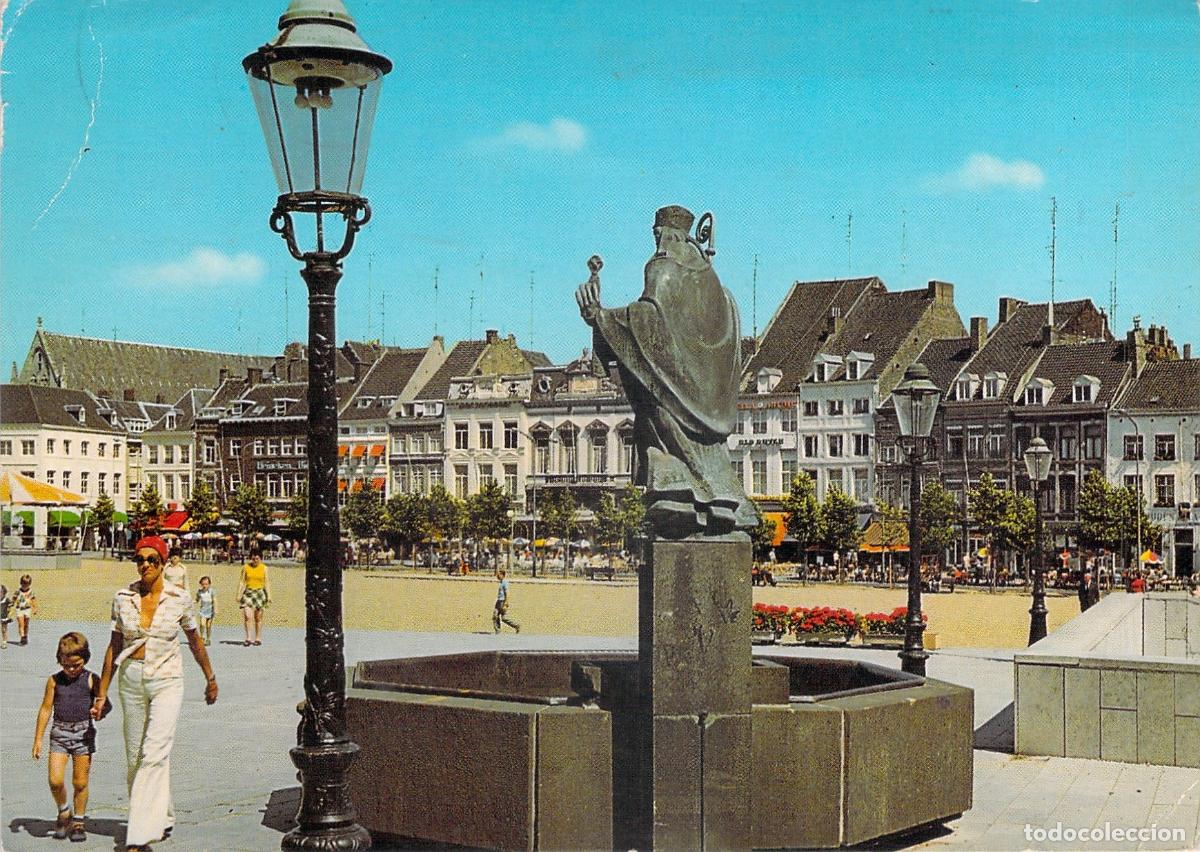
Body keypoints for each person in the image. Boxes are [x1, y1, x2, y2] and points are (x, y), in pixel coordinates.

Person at [576, 205, 756, 538]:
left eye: (657, 234)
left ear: (666, 235)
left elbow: (648, 321)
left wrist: (599, 317)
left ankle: (680, 492)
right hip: (709, 401)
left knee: (655, 392)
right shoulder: (720, 289)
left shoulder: (662, 269)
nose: (656, 242)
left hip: (674, 392)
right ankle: (723, 501)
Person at [91, 534, 218, 852]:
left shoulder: (179, 598)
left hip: (167, 681)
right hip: (131, 680)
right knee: (135, 758)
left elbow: (195, 641)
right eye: (140, 559)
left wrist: (210, 678)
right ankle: (163, 814)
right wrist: (101, 693)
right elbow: (114, 646)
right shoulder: (122, 597)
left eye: (152, 559)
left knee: (154, 754)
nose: (145, 565)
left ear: (163, 563)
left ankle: (140, 835)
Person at [32, 632, 105, 842]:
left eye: (76, 665)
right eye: (66, 665)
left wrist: (98, 710)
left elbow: (103, 705)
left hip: (83, 734)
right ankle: (64, 811)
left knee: (80, 782)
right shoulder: (54, 681)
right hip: (59, 734)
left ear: (86, 659)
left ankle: (79, 821)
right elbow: (46, 709)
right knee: (55, 780)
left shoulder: (92, 679)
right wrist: (38, 739)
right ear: (59, 660)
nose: (72, 670)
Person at [236, 547, 271, 646]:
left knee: (258, 617)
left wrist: (269, 596)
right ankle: (248, 637)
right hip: (248, 593)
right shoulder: (245, 567)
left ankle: (258, 638)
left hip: (260, 593)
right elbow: (242, 581)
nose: (255, 561)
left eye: (257, 559)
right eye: (253, 558)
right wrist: (238, 594)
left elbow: (267, 582)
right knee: (248, 616)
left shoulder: (264, 568)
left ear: (260, 558)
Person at [11, 573, 38, 646]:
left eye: (27, 584)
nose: (25, 586)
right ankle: (22, 637)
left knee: (26, 624)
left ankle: (25, 635)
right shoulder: (18, 591)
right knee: (21, 624)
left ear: (29, 584)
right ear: (21, 583)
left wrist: (35, 608)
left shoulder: (31, 592)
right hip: (19, 609)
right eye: (23, 584)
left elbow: (33, 600)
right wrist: (11, 604)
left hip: (27, 609)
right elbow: (14, 598)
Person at [493, 568, 520, 634]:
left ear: (502, 575)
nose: (497, 576)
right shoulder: (501, 582)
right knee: (495, 615)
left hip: (502, 601)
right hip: (498, 601)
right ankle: (498, 631)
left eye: (498, 574)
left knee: (504, 618)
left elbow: (507, 593)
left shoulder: (505, 582)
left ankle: (516, 626)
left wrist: (506, 603)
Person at [194, 576, 216, 645]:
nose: (204, 586)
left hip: (210, 610)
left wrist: (215, 609)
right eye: (203, 584)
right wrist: (191, 602)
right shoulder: (199, 592)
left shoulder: (212, 591)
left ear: (209, 584)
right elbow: (197, 600)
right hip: (203, 611)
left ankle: (208, 638)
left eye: (206, 584)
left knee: (208, 626)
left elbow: (214, 600)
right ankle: (201, 637)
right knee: (202, 624)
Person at [1, 582, 9, 648]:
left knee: (4, 630)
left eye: (1, 592)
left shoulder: (6, 599)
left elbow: (11, 605)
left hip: (4, 617)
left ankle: (4, 642)